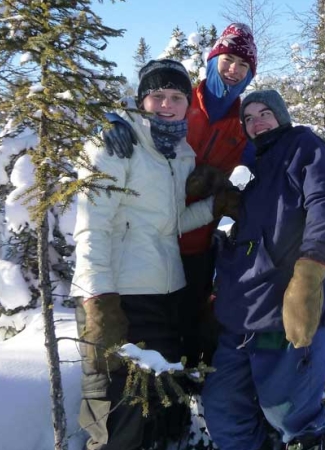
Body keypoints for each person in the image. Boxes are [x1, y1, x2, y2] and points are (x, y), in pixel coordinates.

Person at [71, 59, 239, 450]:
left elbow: (171, 222)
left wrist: (216, 206)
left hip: (167, 292)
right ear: (141, 99)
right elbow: (92, 225)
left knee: (157, 402)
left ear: (187, 104)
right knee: (116, 410)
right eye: (157, 95)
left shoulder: (179, 153)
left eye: (176, 96)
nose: (166, 104)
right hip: (120, 295)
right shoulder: (117, 143)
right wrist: (98, 301)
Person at [201, 89, 325, 450]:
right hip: (243, 314)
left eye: (264, 113)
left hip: (284, 311)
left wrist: (310, 273)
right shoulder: (258, 169)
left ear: (281, 115)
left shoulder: (304, 146)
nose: (256, 122)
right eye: (248, 118)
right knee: (222, 409)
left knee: (289, 414)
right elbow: (257, 238)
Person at [103, 23, 258, 367]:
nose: (234, 70)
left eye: (243, 65)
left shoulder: (242, 124)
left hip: (196, 243)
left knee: (189, 330)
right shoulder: (182, 99)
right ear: (213, 59)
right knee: (151, 339)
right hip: (146, 246)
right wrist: (112, 120)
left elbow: (275, 151)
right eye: (228, 59)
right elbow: (139, 113)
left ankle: (189, 400)